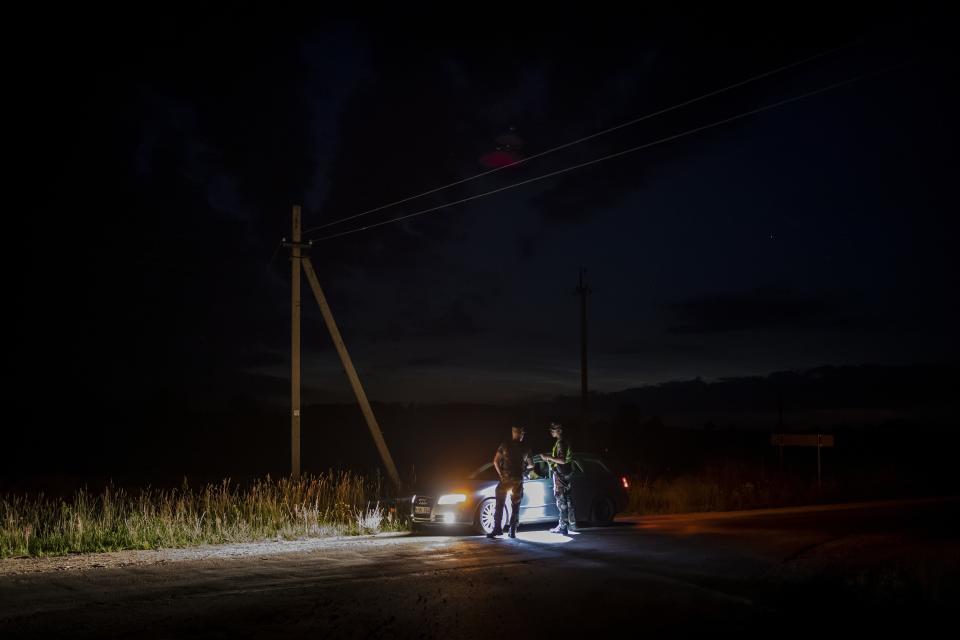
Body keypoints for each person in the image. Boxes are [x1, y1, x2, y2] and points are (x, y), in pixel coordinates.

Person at [488, 425, 532, 539]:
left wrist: (501, 474)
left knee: (499, 504)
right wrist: (524, 470)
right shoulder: (526, 447)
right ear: (518, 433)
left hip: (505, 479)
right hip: (518, 480)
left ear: (513, 433)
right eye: (521, 433)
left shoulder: (504, 445)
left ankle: (497, 529)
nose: (522, 435)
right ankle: (512, 531)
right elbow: (531, 464)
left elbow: (495, 461)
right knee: (515, 505)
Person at [541, 421, 577, 534]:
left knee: (561, 500)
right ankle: (572, 524)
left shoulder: (561, 442)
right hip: (567, 473)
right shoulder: (565, 441)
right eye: (551, 429)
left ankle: (563, 526)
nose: (551, 431)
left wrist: (548, 457)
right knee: (568, 499)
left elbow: (562, 460)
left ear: (560, 430)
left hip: (561, 474)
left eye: (554, 429)